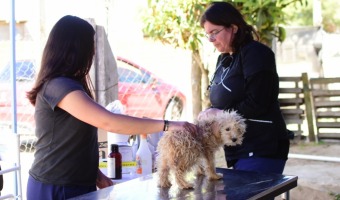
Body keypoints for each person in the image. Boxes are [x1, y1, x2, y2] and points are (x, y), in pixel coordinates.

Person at [25, 15, 197, 200]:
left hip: (77, 184)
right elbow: (109, 121)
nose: (92, 53)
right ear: (75, 49)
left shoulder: (71, 84)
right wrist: (168, 125)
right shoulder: (58, 86)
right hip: (54, 186)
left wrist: (96, 175)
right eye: (89, 46)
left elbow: (73, 142)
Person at [200, 2, 290, 175]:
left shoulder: (256, 53)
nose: (211, 39)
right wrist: (209, 112)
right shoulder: (224, 60)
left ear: (233, 27)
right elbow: (226, 102)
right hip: (238, 149)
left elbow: (258, 102)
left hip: (262, 147)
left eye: (214, 32)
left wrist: (218, 114)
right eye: (207, 35)